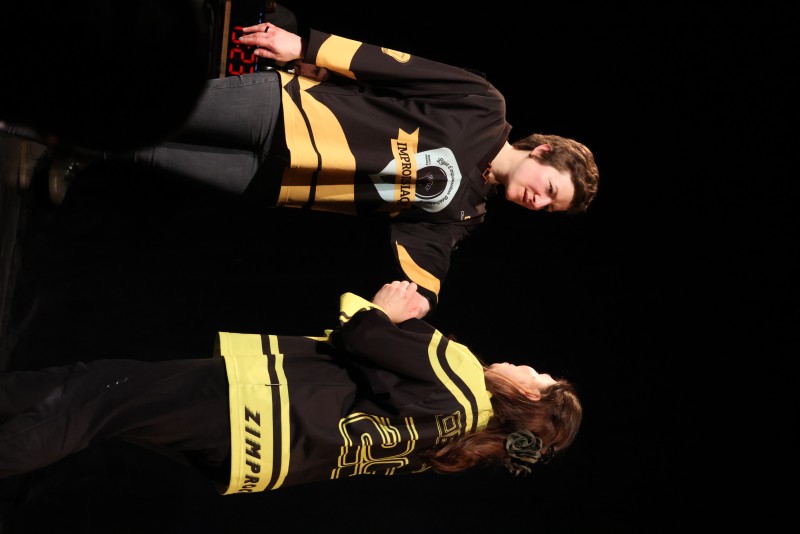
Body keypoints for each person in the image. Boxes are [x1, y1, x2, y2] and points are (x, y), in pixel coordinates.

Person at [7, 23, 600, 316]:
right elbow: (397, 66)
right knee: (149, 106)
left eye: (549, 208)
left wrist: (420, 300)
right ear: (542, 153)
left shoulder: (467, 212)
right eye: (549, 189)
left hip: (279, 182)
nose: (539, 203)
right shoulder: (484, 106)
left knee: (145, 153)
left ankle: (25, 127)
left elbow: (427, 257)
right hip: (285, 112)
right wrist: (306, 46)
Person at [0, 281, 582, 493]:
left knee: (94, 404)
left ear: (530, 397)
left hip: (246, 404)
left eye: (538, 375)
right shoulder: (457, 445)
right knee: (91, 385)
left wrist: (386, 307)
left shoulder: (463, 378)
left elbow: (364, 335)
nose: (526, 366)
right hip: (254, 459)